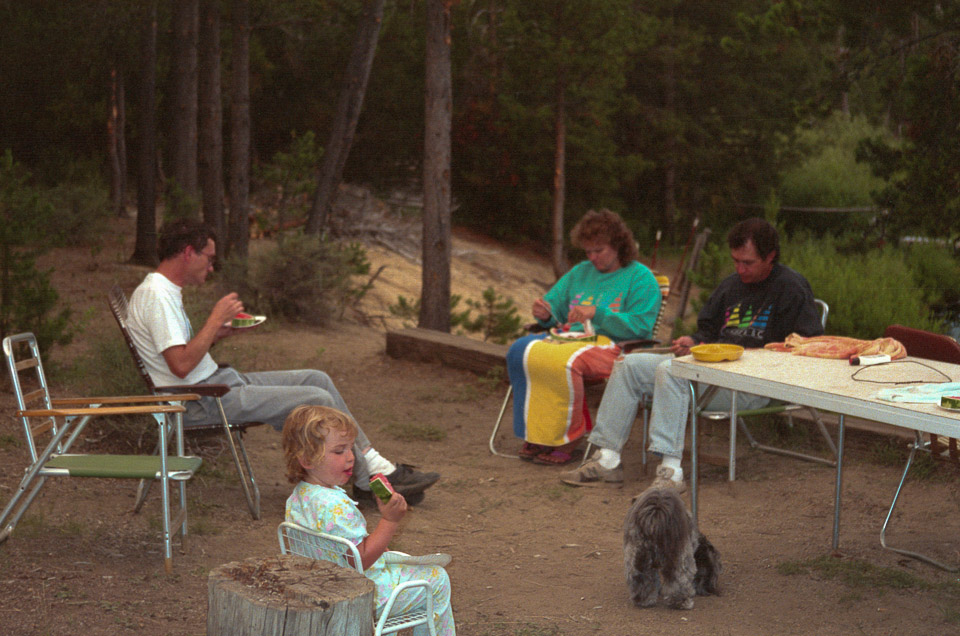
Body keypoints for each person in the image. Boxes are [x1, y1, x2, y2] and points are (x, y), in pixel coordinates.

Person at [125, 219, 439, 503]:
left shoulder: (163, 291)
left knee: (316, 379)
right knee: (317, 399)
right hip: (199, 400)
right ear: (188, 252)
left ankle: (373, 465)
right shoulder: (156, 296)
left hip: (213, 384)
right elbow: (179, 366)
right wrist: (213, 320)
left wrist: (219, 333)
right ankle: (371, 480)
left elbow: (179, 358)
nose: (211, 267)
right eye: (209, 258)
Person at [560, 217, 824, 488]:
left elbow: (808, 344)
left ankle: (671, 472)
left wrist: (750, 354)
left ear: (770, 256)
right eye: (735, 260)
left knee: (671, 371)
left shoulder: (791, 287)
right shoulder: (731, 286)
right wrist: (693, 340)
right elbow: (707, 333)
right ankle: (607, 459)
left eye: (748, 262)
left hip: (753, 383)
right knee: (628, 364)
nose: (740, 269)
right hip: (711, 372)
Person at [505, 209, 662, 465]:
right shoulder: (581, 272)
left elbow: (641, 326)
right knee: (519, 350)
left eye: (598, 250)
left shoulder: (640, 278)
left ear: (618, 244)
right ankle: (539, 431)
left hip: (614, 346)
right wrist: (544, 312)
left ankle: (570, 435)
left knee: (566, 362)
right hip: (569, 340)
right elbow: (554, 306)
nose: (592, 257)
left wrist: (598, 313)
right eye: (587, 251)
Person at [283, 405, 456, 636]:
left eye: (350, 448)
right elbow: (360, 560)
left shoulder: (298, 498)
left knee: (401, 564)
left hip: (317, 589)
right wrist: (390, 521)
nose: (350, 457)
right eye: (339, 451)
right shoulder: (335, 506)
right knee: (437, 578)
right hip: (361, 596)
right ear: (307, 459)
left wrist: (375, 542)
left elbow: (338, 546)